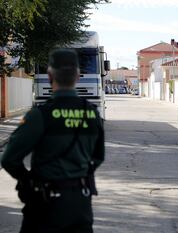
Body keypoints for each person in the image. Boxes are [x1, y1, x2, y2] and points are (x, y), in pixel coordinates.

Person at [1, 49, 105, 233]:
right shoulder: (92, 113)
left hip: (45, 205)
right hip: (80, 205)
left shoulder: (40, 115)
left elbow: (9, 159)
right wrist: (77, 172)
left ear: (50, 76)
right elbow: (98, 157)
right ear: (78, 77)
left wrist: (29, 180)